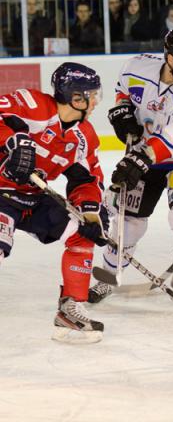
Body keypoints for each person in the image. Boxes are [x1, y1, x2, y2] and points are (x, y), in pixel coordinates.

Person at [89, 28, 173, 306]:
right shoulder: (138, 65)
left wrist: (138, 160)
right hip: (144, 154)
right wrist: (122, 111)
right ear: (170, 58)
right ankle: (108, 275)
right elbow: (123, 89)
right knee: (127, 224)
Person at [0, 62, 108, 343]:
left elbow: (87, 180)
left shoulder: (84, 137)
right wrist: (15, 141)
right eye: (92, 94)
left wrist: (90, 210)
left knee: (82, 230)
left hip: (35, 199)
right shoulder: (34, 105)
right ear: (75, 97)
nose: (95, 101)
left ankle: (70, 308)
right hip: (1, 193)